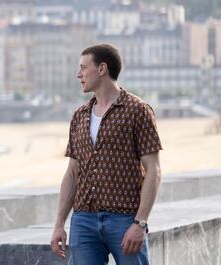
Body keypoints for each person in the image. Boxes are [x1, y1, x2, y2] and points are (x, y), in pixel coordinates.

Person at [50, 44, 162, 265]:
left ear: (102, 69)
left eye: (83, 67)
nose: (78, 74)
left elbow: (154, 170)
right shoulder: (79, 115)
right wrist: (59, 224)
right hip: (83, 220)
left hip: (124, 220)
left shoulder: (138, 110)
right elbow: (72, 173)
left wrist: (140, 223)